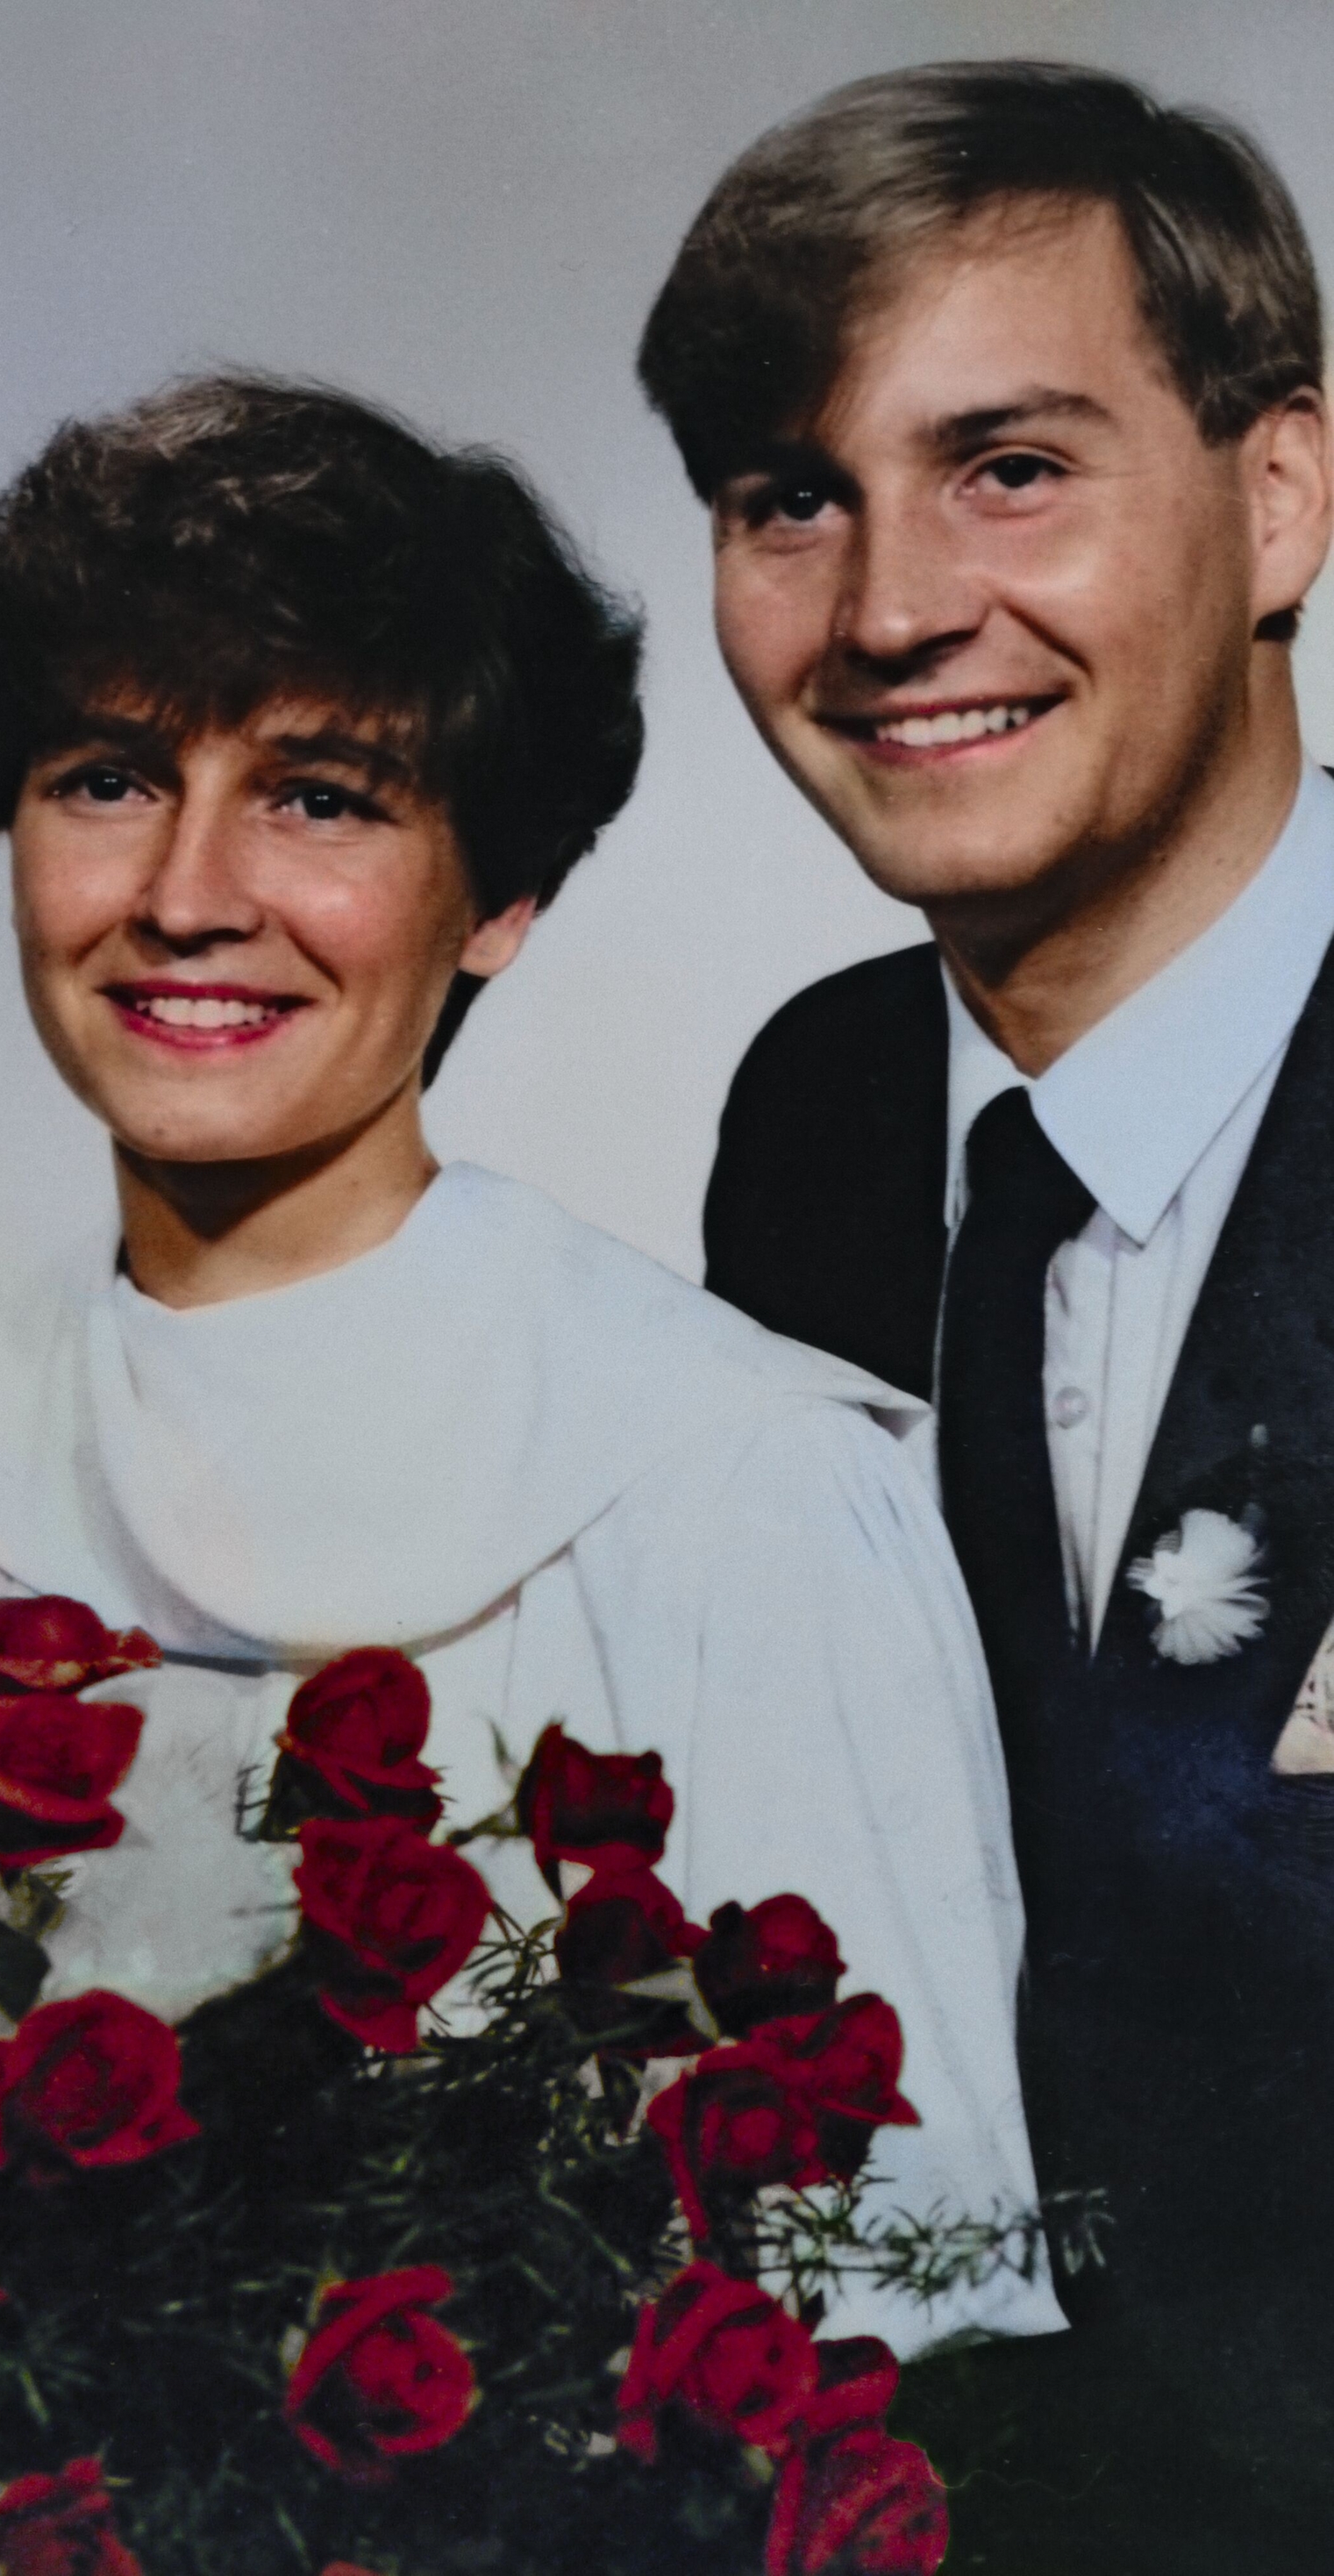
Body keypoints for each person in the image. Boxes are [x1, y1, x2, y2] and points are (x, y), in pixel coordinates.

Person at [0, 374, 1059, 2358]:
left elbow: (910, 2323)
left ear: (500, 900)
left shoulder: (739, 1490)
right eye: (108, 776)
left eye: (320, 796)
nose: (185, 894)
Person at [639, 57, 1334, 2571]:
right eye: (787, 498)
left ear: (1280, 496)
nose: (887, 612)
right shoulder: (816, 1119)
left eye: (1008, 466)